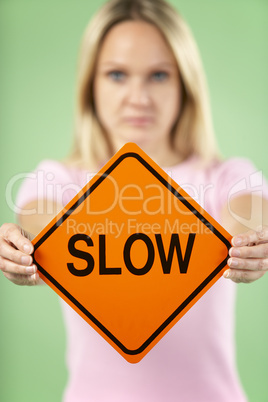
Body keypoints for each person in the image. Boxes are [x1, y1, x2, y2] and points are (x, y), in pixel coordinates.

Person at [1, 0, 268, 400]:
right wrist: (29, 251)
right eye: (117, 75)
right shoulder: (58, 178)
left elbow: (247, 218)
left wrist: (246, 250)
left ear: (186, 84)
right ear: (91, 83)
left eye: (159, 75)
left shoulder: (227, 175)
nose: (138, 97)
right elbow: (40, 221)